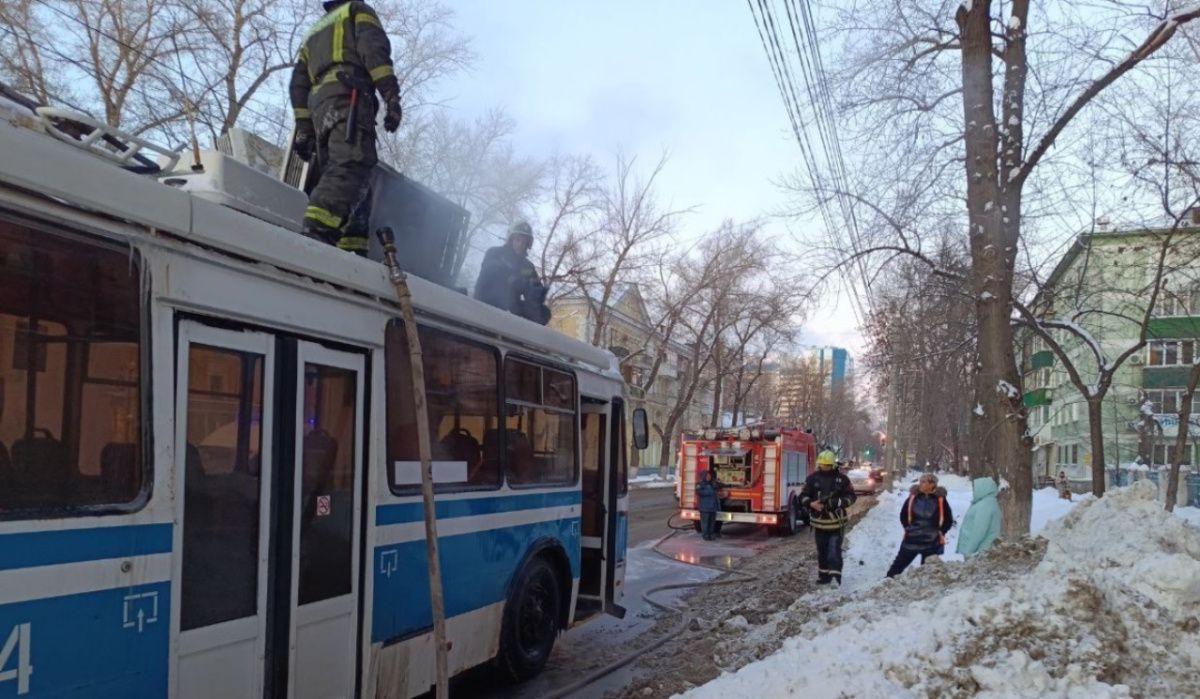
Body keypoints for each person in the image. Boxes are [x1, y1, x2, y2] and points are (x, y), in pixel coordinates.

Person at [289, 0, 403, 255]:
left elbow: (298, 83)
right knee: (352, 165)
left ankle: (352, 247)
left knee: (351, 176)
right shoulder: (357, 11)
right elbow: (374, 52)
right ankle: (316, 232)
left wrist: (305, 127)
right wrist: (391, 97)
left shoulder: (314, 32)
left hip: (321, 108)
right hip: (348, 97)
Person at [473, 221, 551, 324]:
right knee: (497, 294)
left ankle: (525, 334)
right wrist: (511, 278)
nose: (521, 245)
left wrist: (537, 292)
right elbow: (489, 270)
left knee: (544, 312)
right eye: (518, 240)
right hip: (487, 301)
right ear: (511, 239)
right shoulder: (495, 253)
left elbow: (535, 289)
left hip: (511, 308)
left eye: (524, 242)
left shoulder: (527, 266)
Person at [799, 450, 857, 585]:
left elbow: (851, 497)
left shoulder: (842, 480)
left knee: (834, 552)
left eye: (827, 465)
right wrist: (811, 504)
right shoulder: (812, 479)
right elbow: (803, 496)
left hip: (836, 524)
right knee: (822, 552)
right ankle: (824, 577)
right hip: (819, 524)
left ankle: (836, 579)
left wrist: (836, 503)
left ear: (832, 465)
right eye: (822, 465)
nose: (824, 467)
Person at [886, 473, 954, 577]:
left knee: (928, 575)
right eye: (920, 481)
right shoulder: (913, 497)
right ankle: (885, 587)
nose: (920, 484)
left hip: (931, 544)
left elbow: (948, 519)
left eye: (923, 481)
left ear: (932, 484)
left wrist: (940, 532)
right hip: (911, 540)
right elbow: (903, 514)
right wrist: (909, 529)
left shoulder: (940, 500)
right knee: (895, 570)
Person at [956, 476, 1001, 558]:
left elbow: (979, 530)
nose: (973, 491)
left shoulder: (985, 505)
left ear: (983, 488)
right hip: (982, 550)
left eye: (975, 488)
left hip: (979, 552)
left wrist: (969, 551)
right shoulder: (988, 502)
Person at [695, 469, 721, 541]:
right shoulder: (700, 485)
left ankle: (711, 535)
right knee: (705, 523)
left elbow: (719, 486)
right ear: (704, 477)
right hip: (705, 508)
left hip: (713, 508)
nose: (709, 477)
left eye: (709, 476)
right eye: (707, 476)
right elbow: (700, 492)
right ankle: (705, 536)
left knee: (712, 523)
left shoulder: (712, 484)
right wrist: (712, 491)